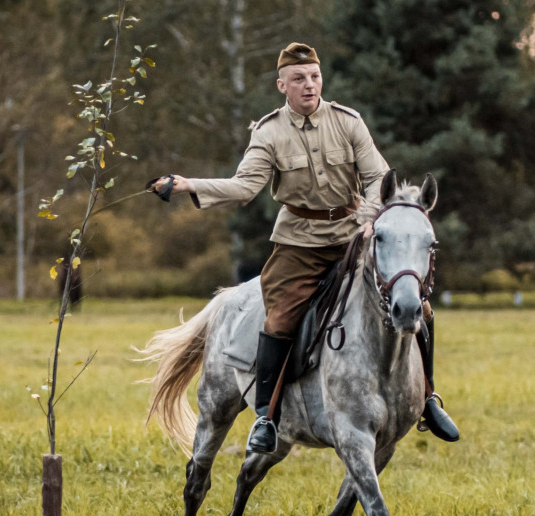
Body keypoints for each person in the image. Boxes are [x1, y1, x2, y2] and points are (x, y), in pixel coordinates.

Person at [157, 42, 458, 453]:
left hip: (353, 239)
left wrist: (374, 218)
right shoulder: (269, 132)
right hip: (297, 245)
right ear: (282, 85)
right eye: (299, 79)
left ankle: (427, 399)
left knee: (417, 307)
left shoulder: (349, 122)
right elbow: (245, 187)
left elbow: (377, 176)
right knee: (280, 320)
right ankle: (266, 416)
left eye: (314, 76)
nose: (309, 85)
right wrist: (191, 185)